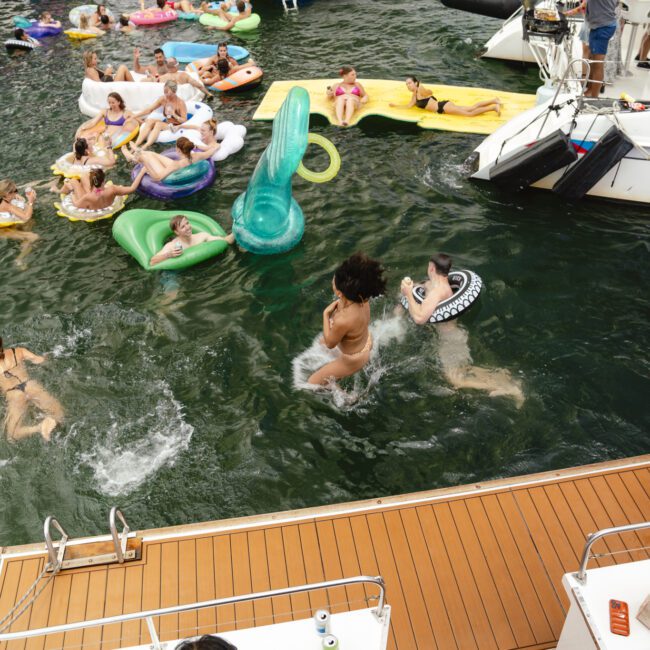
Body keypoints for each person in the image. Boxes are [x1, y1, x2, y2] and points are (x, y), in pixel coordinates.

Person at [400, 254, 524, 407]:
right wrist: (409, 292)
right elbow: (422, 286)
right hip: (454, 334)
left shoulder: (437, 292)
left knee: (456, 379)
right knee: (464, 370)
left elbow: (419, 319)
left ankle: (510, 388)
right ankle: (501, 375)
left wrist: (407, 294)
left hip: (450, 339)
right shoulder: (436, 286)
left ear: (431, 268)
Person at [308, 253, 387, 385]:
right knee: (320, 344)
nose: (333, 279)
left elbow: (330, 344)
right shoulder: (362, 299)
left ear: (339, 292)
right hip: (366, 341)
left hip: (353, 359)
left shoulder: (343, 320)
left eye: (334, 279)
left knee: (311, 383)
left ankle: (346, 398)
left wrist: (325, 315)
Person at [0, 337, 64, 442]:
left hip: (14, 395)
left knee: (12, 434)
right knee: (59, 414)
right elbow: (40, 360)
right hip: (31, 386)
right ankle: (49, 421)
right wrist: (48, 356)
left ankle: (38, 428)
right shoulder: (18, 351)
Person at [390, 77, 501, 117]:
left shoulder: (420, 89)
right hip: (444, 105)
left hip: (442, 107)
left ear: (415, 83)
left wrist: (421, 88)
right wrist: (395, 106)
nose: (408, 85)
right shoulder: (414, 96)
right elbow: (408, 106)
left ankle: (493, 108)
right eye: (406, 84)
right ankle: (494, 100)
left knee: (469, 114)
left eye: (409, 83)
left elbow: (430, 92)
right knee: (471, 108)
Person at [150, 214, 235, 266]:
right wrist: (169, 255)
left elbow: (226, 240)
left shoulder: (202, 236)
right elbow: (152, 262)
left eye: (187, 223)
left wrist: (237, 231)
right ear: (176, 232)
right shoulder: (172, 246)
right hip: (179, 270)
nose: (188, 227)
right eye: (183, 227)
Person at [123, 136, 213, 181]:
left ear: (178, 150)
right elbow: (209, 153)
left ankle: (131, 157)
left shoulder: (175, 164)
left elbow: (157, 178)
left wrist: (145, 163)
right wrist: (216, 146)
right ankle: (137, 150)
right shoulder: (196, 156)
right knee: (153, 154)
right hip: (181, 167)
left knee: (148, 157)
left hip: (173, 172)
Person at [131, 81, 188, 149]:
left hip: (176, 126)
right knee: (150, 121)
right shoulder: (163, 99)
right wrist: (134, 116)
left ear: (174, 91)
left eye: (167, 92)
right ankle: (135, 145)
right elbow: (149, 109)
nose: (166, 94)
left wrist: (174, 114)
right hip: (168, 123)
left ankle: (145, 146)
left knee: (158, 124)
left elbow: (184, 120)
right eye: (164, 92)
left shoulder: (180, 103)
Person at [58, 168, 145, 209]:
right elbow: (132, 188)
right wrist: (141, 172)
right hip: (104, 202)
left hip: (92, 201)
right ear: (103, 180)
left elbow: (76, 205)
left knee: (73, 181)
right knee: (84, 177)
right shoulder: (112, 189)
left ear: (93, 182)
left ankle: (60, 190)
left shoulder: (88, 197)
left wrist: (72, 191)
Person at [582, 0, 618, 97]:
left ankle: (594, 97)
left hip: (603, 27)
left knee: (598, 63)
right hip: (599, 24)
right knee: (593, 60)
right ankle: (590, 90)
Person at [0, 180, 39, 268]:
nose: (17, 193)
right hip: (3, 230)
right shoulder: (6, 205)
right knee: (33, 237)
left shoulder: (4, 199)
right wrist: (31, 201)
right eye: (15, 191)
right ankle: (19, 260)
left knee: (31, 224)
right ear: (7, 194)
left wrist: (16, 195)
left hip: (8, 225)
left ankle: (26, 243)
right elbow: (26, 217)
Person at [149, 57, 214, 97]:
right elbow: (198, 85)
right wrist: (208, 93)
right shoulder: (183, 75)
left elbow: (155, 86)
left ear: (167, 67)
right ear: (176, 66)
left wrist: (152, 78)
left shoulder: (162, 78)